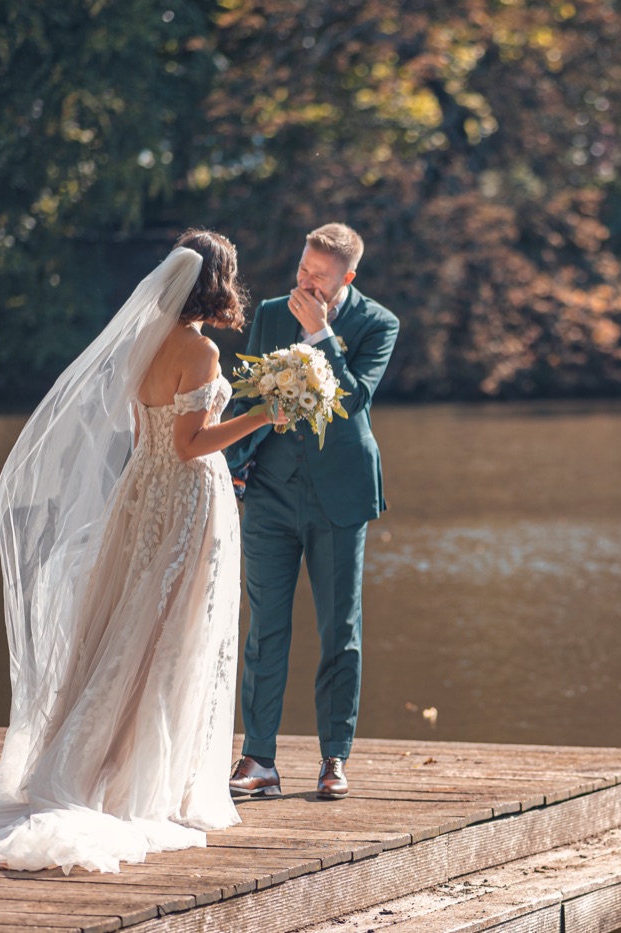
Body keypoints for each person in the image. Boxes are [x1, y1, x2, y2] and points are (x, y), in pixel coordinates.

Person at [0, 230, 285, 873]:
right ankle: (142, 783)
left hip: (141, 496)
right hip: (183, 502)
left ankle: (108, 764)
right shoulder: (201, 351)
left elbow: (147, 432)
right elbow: (189, 444)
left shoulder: (145, 341)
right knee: (172, 635)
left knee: (129, 628)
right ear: (219, 282)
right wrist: (266, 414)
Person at [225, 223, 399, 801]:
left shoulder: (378, 324)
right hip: (272, 491)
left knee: (338, 632)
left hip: (339, 496)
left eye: (318, 277)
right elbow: (249, 396)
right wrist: (233, 465)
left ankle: (333, 758)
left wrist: (322, 335)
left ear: (347, 277)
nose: (305, 283)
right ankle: (258, 758)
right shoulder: (273, 312)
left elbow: (353, 405)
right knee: (264, 627)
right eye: (302, 270)